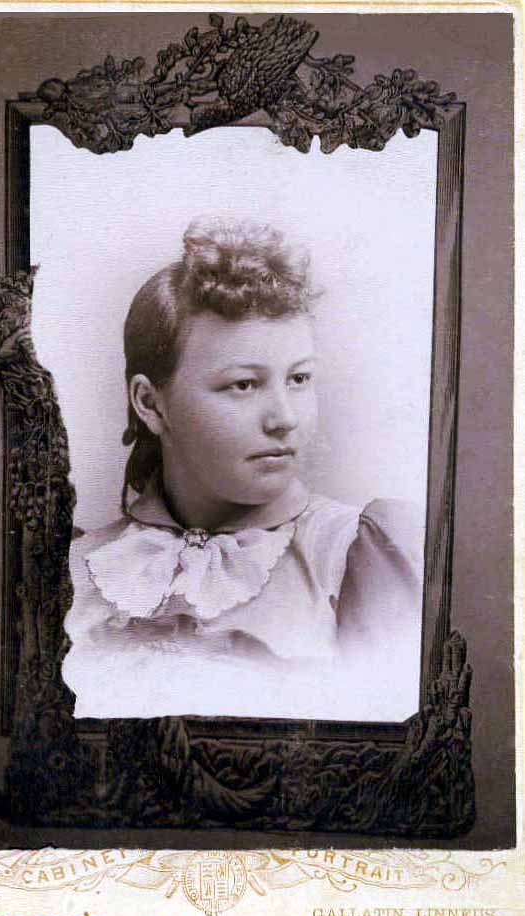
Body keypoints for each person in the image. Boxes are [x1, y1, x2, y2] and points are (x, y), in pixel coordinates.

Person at [62, 218, 424, 721]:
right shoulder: (75, 569)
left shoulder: (359, 553)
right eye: (244, 385)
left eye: (299, 378)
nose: (284, 418)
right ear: (150, 403)